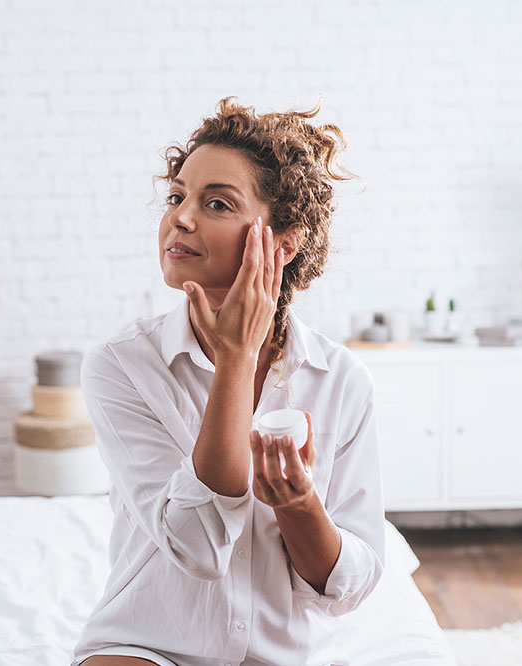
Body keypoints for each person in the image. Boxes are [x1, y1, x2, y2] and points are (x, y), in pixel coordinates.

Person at [71, 97, 385, 666]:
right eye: (176, 196)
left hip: (283, 654)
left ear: (283, 243)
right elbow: (196, 549)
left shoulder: (341, 381)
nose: (180, 217)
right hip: (148, 644)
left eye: (216, 203)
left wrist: (298, 505)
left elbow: (351, 585)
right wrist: (236, 359)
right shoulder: (121, 366)